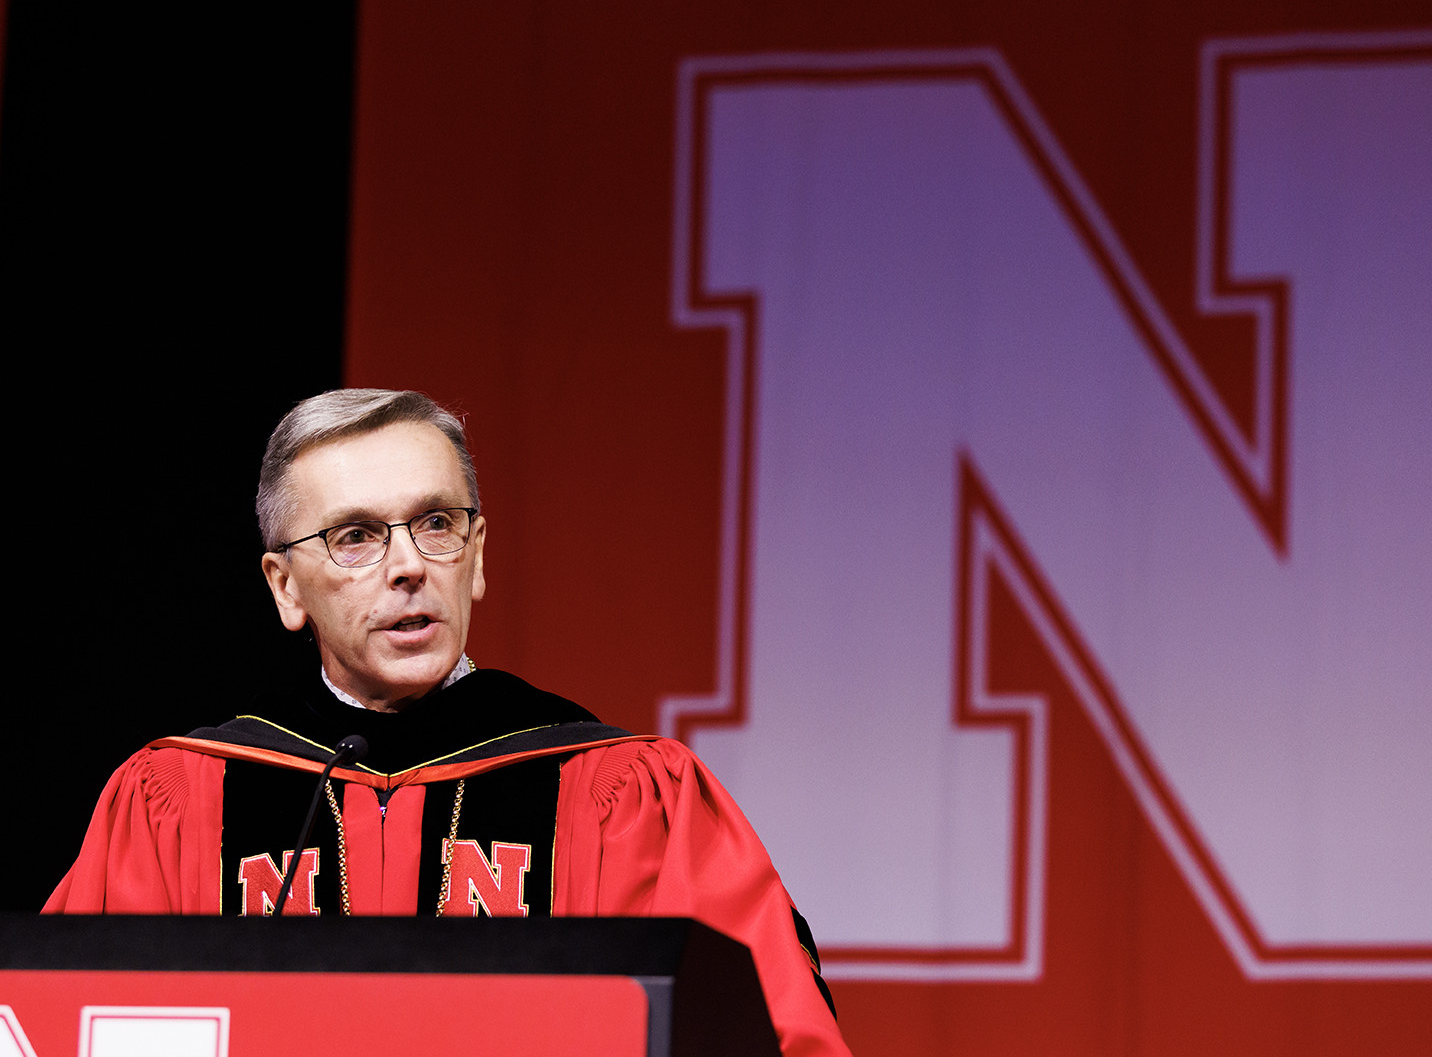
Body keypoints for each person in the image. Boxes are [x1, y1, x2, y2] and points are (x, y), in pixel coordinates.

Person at [47, 388, 850, 1057]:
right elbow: (55, 1025)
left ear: (477, 555)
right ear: (285, 587)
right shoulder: (182, 796)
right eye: (354, 536)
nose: (407, 565)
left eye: (436, 523)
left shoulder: (622, 793)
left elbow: (771, 1034)